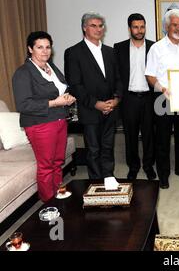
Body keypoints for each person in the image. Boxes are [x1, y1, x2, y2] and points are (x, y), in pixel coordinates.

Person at [12, 31, 76, 202]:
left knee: (57, 162)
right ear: (30, 49)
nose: (45, 51)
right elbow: (23, 105)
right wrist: (54, 103)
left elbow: (60, 90)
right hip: (39, 124)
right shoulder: (23, 73)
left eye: (48, 47)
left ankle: (58, 195)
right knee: (46, 165)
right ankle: (48, 203)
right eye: (40, 47)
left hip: (59, 120)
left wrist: (67, 97)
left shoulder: (51, 67)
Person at [65, 12, 123, 179]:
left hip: (111, 109)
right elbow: (75, 85)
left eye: (100, 26)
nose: (98, 29)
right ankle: (96, 183)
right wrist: (96, 104)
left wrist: (116, 99)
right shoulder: (74, 52)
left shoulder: (110, 52)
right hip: (90, 110)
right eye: (93, 25)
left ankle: (109, 179)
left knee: (108, 148)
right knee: (94, 150)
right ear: (84, 28)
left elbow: (119, 79)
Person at [145, 9, 179, 189]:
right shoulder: (156, 48)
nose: (178, 28)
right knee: (163, 138)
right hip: (163, 97)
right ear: (167, 26)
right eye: (175, 24)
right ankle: (164, 174)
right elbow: (150, 76)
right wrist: (162, 89)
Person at [113, 13, 156, 181]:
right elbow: (116, 75)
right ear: (129, 28)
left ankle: (148, 166)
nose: (139, 30)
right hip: (128, 98)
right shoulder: (119, 48)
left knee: (149, 134)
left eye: (142, 26)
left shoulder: (154, 47)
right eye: (136, 27)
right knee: (130, 135)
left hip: (149, 97)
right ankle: (133, 166)